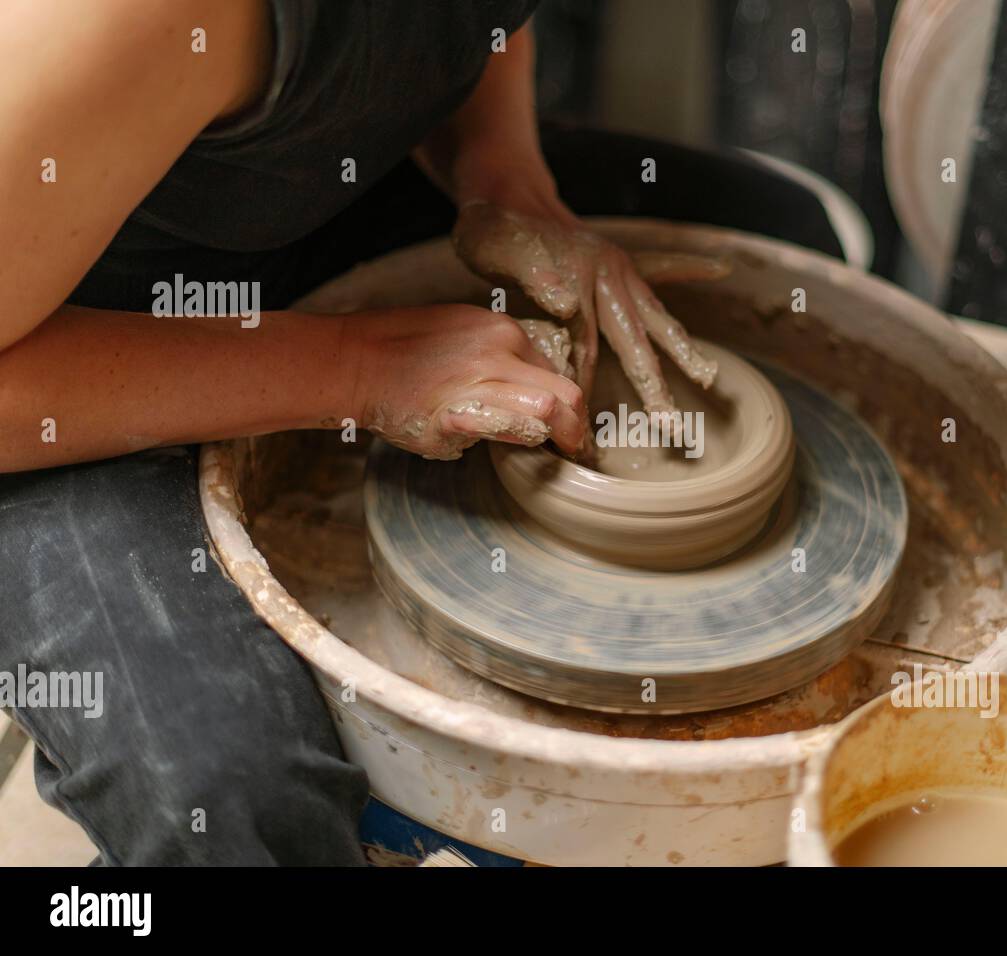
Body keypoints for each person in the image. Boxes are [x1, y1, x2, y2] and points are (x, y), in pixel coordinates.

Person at [0, 0, 716, 864]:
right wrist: (356, 366)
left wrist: (506, 182)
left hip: (306, 208)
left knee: (765, 228)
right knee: (232, 803)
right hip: (62, 364)